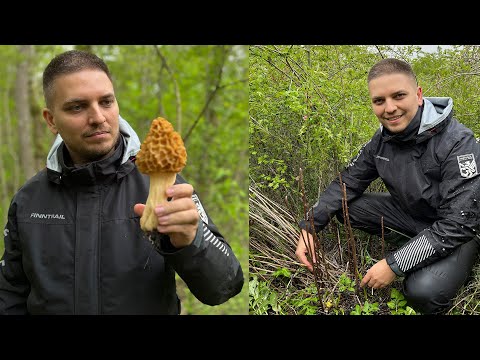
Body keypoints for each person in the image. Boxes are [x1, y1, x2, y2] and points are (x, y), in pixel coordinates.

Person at [0, 49, 244, 315]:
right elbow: (10, 294)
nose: (98, 117)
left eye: (106, 102)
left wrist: (190, 241)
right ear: (51, 120)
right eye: (77, 107)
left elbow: (226, 285)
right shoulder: (28, 200)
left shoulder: (162, 188)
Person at [295, 58, 480, 315]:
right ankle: (416, 243)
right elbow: (347, 182)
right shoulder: (381, 141)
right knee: (347, 207)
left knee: (422, 292)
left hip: (458, 232)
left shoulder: (458, 142)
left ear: (418, 95)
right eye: (379, 101)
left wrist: (394, 265)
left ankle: (453, 260)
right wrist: (309, 227)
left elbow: (460, 223)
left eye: (398, 96)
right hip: (414, 216)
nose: (389, 108)